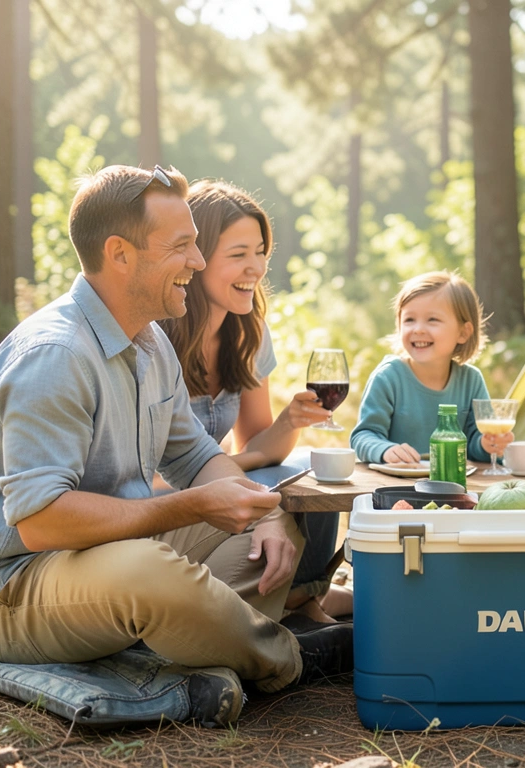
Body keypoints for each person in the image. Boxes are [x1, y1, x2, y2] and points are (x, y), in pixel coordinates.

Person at [0, 165, 352, 730]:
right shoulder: (55, 354)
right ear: (120, 254)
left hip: (119, 552)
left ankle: (196, 651)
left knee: (272, 518)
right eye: (183, 245)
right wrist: (188, 508)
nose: (198, 261)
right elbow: (40, 523)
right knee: (147, 572)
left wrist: (263, 515)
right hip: (18, 590)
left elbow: (193, 458)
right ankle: (290, 658)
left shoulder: (151, 341)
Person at [160, 179, 348, 623]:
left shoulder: (248, 333)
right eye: (239, 254)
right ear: (197, 259)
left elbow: (261, 447)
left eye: (261, 251)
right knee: (272, 490)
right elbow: (153, 481)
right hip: (166, 500)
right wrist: (242, 468)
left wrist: (290, 421)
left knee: (308, 468)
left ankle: (305, 596)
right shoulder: (156, 340)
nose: (257, 267)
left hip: (217, 478)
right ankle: (298, 603)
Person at [350, 271, 513, 466]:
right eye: (409, 320)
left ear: (463, 332)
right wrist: (385, 450)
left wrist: (488, 445)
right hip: (397, 485)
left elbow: (474, 446)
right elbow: (363, 436)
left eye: (432, 320)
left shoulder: (471, 380)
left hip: (451, 485)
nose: (418, 329)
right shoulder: (388, 377)